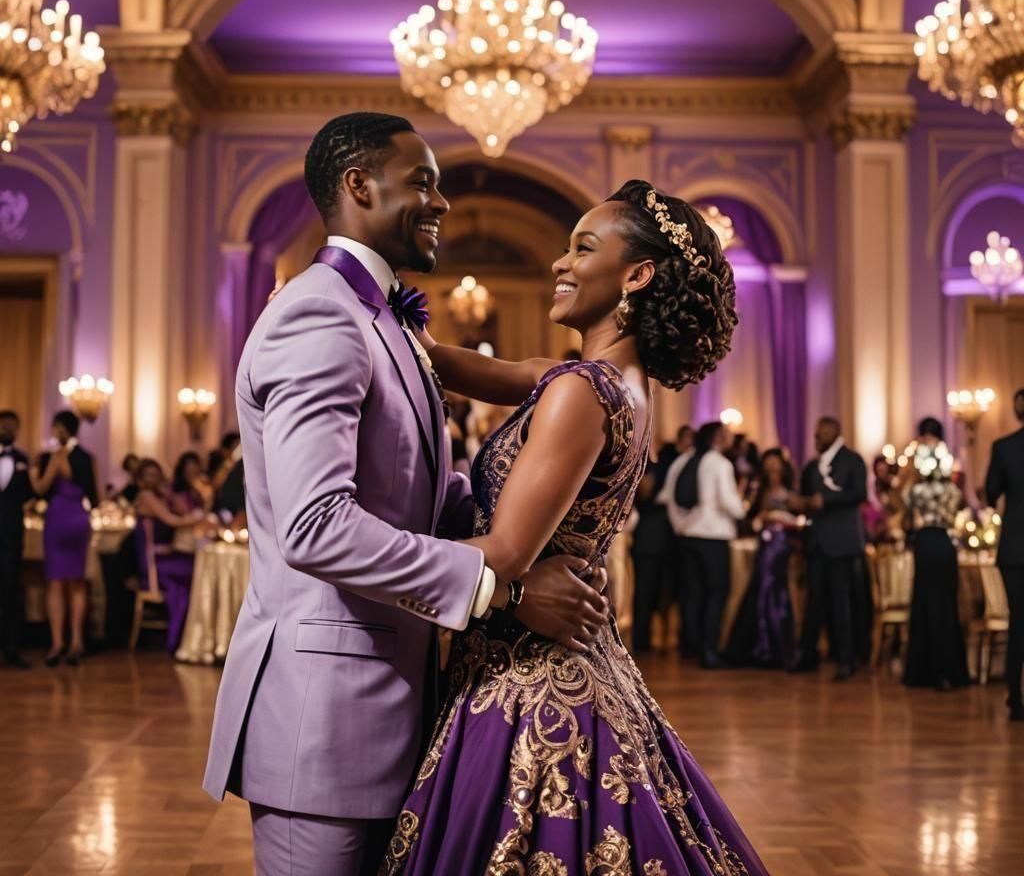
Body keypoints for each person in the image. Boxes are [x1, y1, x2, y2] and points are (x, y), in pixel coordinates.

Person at [202, 113, 607, 876]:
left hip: (392, 703)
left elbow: (415, 496)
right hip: (322, 718)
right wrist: (504, 588)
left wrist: (540, 532)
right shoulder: (319, 312)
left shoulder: (383, 321)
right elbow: (317, 527)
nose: (442, 202)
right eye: (422, 182)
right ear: (359, 185)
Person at [383, 179, 769, 875]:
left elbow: (505, 555)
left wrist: (362, 560)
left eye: (583, 248)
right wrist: (382, 308)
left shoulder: (580, 393)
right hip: (578, 664)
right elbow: (468, 367)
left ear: (636, 276)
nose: (560, 263)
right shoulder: (614, 385)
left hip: (527, 682)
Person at [789, 416, 867, 681]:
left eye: (821, 434)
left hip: (842, 543)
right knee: (814, 601)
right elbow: (806, 495)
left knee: (841, 601)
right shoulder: (812, 466)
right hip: (817, 542)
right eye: (816, 434)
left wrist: (827, 499)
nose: (817, 439)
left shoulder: (852, 461)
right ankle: (807, 655)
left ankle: (846, 658)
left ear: (835, 433)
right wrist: (800, 503)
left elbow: (859, 494)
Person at [902, 420, 969, 691]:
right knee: (946, 605)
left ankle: (925, 671)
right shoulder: (953, 491)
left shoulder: (915, 491)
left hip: (926, 543)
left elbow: (904, 513)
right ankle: (949, 670)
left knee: (925, 604)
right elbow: (961, 508)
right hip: (944, 544)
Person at [30, 410, 98, 667]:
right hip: (79, 516)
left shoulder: (54, 456)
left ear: (60, 428)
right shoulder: (88, 458)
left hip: (58, 517)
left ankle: (58, 643)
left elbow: (40, 489)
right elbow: (95, 496)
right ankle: (76, 641)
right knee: (77, 582)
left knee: (56, 582)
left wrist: (34, 472)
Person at [679, 421, 746, 669]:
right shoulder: (720, 464)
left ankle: (692, 646)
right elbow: (729, 502)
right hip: (713, 536)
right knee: (716, 593)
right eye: (726, 434)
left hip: (690, 534)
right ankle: (709, 650)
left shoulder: (692, 460)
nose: (730, 438)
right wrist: (743, 510)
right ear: (717, 438)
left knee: (694, 594)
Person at [726, 448, 798, 668]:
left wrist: (785, 519)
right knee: (763, 586)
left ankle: (777, 646)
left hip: (783, 543)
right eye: (769, 465)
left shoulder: (791, 491)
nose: (773, 468)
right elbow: (748, 515)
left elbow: (798, 515)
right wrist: (763, 517)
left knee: (777, 588)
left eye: (776, 464)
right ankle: (761, 646)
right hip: (766, 543)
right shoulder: (759, 489)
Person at [133, 459, 205, 654]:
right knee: (196, 570)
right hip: (153, 562)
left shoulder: (161, 496)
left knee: (191, 574)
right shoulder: (146, 496)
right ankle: (182, 637)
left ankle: (183, 637)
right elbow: (171, 520)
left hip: (168, 557)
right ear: (140, 478)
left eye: (156, 475)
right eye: (148, 475)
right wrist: (198, 518)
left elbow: (182, 509)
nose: (153, 479)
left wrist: (170, 494)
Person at [985, 387, 1024, 722]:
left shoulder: (1004, 447)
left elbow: (990, 493)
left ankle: (1016, 697)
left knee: (1018, 621)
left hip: (1015, 547)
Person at [629, 460, 674, 653]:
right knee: (644, 593)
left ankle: (652, 638)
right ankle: (641, 639)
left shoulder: (663, 464)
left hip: (657, 542)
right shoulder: (646, 466)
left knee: (656, 593)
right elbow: (644, 495)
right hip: (647, 542)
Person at [0, 410, 33, 669]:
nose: (9, 430)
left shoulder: (23, 460)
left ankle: (11, 648)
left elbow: (30, 494)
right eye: (5, 425)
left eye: (14, 426)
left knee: (11, 589)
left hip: (11, 534)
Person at [659, 424, 696, 651]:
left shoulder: (684, 463)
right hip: (672, 536)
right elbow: (667, 496)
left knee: (680, 589)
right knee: (671, 589)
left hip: (677, 534)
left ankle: (680, 635)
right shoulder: (676, 463)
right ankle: (668, 635)